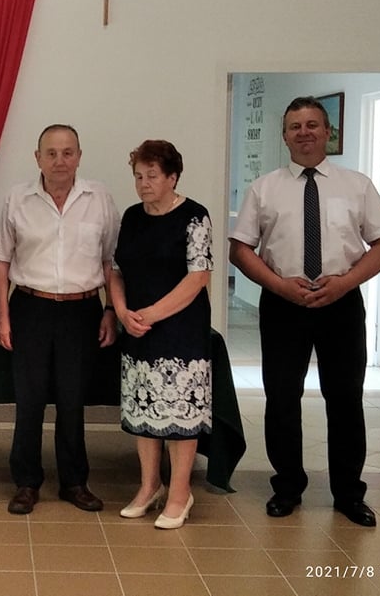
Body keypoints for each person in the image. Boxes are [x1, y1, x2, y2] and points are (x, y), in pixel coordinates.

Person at [229, 96, 380, 527]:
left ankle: (348, 493)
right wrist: (279, 285)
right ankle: (287, 487)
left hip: (341, 303)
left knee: (345, 399)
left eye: (312, 125)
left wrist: (346, 282)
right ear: (284, 135)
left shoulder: (357, 185)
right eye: (295, 126)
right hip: (283, 303)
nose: (304, 132)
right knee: (282, 397)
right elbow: (240, 250)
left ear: (327, 132)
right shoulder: (264, 188)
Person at [0, 124, 120, 515]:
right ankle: (26, 482)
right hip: (30, 308)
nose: (59, 161)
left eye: (67, 152)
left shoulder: (99, 199)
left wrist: (111, 310)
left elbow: (111, 261)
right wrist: (2, 316)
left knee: (72, 400)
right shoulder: (17, 199)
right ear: (38, 158)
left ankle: (74, 482)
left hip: (82, 311)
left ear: (79, 156)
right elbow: (1, 262)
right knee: (29, 400)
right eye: (51, 153)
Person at [108, 140, 213, 530]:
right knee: (144, 409)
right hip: (137, 327)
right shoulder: (132, 216)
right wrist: (122, 311)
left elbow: (198, 277)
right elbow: (115, 270)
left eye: (152, 176)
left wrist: (151, 314)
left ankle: (180, 493)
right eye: (138, 176)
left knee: (180, 414)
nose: (144, 184)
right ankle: (149, 486)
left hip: (181, 329)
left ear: (172, 177)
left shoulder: (194, 216)